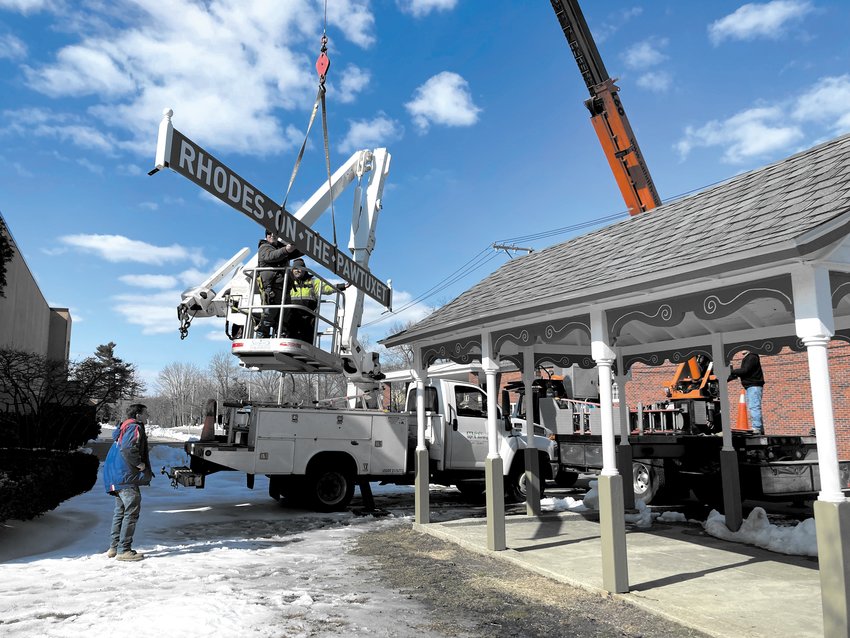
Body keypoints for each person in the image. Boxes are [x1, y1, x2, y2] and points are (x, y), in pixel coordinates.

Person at [103, 403, 153, 561]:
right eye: (146, 413)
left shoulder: (123, 427)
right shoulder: (134, 427)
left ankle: (114, 548)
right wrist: (140, 464)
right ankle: (124, 550)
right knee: (131, 513)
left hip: (117, 476)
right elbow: (127, 448)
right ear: (138, 415)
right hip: (126, 477)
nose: (147, 416)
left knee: (120, 512)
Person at [285, 258, 348, 343]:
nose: (298, 271)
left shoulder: (313, 281)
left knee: (307, 336)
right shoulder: (288, 281)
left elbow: (326, 288)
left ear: (304, 270)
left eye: (300, 268)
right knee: (290, 332)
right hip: (292, 313)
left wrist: (342, 286)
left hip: (308, 314)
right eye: (295, 269)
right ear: (292, 270)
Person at [257, 229, 301, 337]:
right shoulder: (264, 248)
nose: (272, 235)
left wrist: (308, 241)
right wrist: (286, 249)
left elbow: (299, 251)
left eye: (275, 233)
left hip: (284, 288)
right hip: (272, 288)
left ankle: (281, 335)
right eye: (269, 233)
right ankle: (261, 338)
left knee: (284, 316)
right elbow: (272, 256)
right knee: (269, 315)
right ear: (266, 236)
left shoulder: (281, 248)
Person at [728, 349, 765, 434]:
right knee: (754, 407)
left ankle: (757, 428)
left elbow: (745, 370)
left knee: (754, 407)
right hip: (752, 386)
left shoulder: (751, 357)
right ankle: (759, 428)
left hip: (753, 386)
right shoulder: (750, 357)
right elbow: (745, 371)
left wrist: (731, 371)